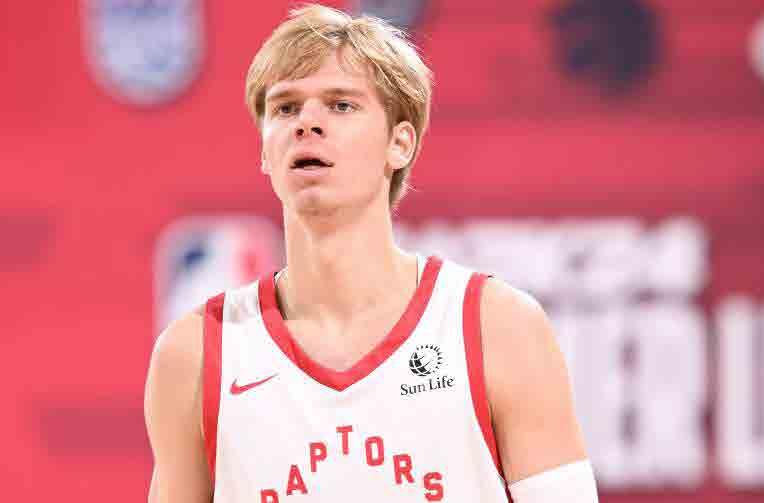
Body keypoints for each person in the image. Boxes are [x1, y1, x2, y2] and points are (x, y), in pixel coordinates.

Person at [144, 4, 597, 502]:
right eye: (286, 108)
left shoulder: (497, 327)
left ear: (400, 143)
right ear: (264, 151)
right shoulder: (195, 355)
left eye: (340, 105)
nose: (307, 123)